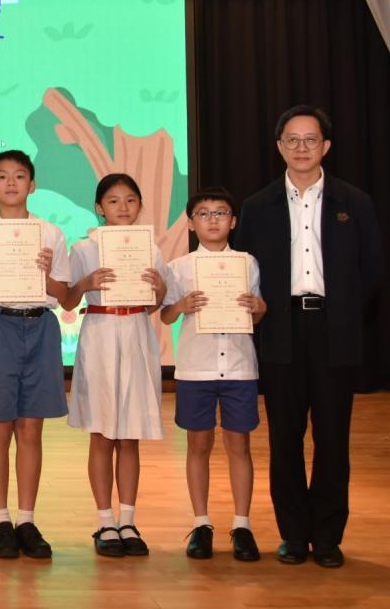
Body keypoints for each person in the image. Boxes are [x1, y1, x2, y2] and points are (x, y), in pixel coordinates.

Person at [234, 105, 381, 568]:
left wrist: (345, 315)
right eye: (292, 140)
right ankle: (294, 534)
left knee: (333, 438)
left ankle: (329, 536)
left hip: (335, 330)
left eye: (310, 139)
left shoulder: (354, 202)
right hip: (280, 329)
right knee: (285, 438)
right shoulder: (257, 207)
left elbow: (372, 271)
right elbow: (245, 271)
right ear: (280, 147)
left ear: (326, 146)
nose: (302, 148)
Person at [0, 150, 70, 560]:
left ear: (32, 185)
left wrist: (48, 273)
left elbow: (65, 295)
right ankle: (0, 520)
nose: (10, 183)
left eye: (19, 176)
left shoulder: (51, 234)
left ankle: (26, 519)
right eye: (2, 176)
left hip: (40, 327)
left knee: (30, 429)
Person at [64, 173, 168, 558]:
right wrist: (85, 282)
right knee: (102, 432)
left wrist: (159, 290)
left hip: (136, 332)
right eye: (113, 201)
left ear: (140, 206)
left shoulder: (150, 249)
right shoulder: (83, 248)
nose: (122, 207)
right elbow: (68, 301)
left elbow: (155, 304)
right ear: (99, 207)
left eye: (130, 200)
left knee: (130, 435)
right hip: (100, 333)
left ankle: (128, 519)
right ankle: (105, 520)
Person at [161, 187, 266, 562]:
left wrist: (259, 307)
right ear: (191, 223)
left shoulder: (247, 263)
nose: (212, 220)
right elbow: (166, 315)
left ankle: (242, 525)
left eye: (220, 213)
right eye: (203, 214)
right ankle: (201, 523)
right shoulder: (179, 267)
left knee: (240, 446)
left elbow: (257, 312)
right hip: (195, 368)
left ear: (233, 221)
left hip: (239, 366)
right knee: (198, 446)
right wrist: (181, 305)